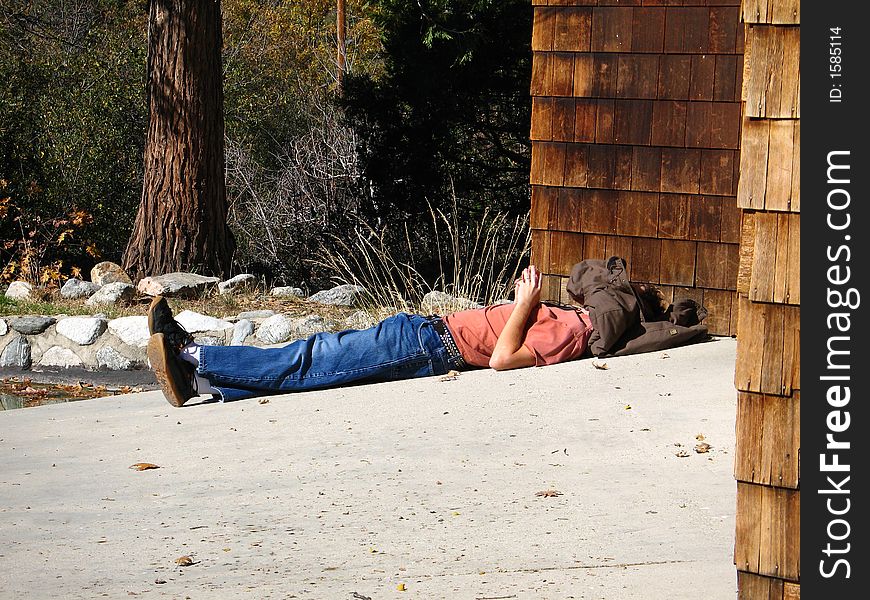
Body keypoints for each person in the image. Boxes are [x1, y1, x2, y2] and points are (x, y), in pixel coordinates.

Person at [146, 265, 593, 407]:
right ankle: (202, 383)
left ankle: (190, 353)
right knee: (322, 367)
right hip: (423, 332)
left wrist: (525, 304)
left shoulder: (574, 330)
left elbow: (501, 359)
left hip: (432, 347)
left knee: (313, 357)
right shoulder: (573, 318)